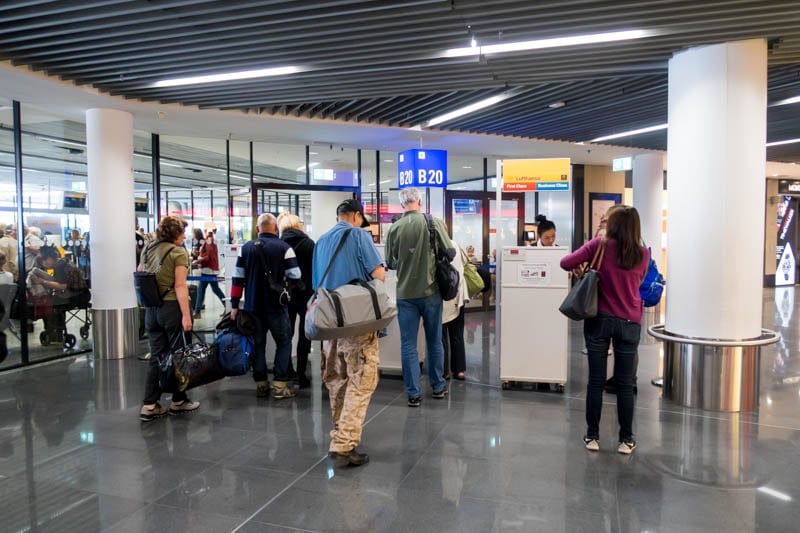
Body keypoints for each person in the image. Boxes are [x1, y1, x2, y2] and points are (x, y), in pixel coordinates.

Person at [560, 206, 648, 455]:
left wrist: (588, 259)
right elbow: (638, 281)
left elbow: (565, 262)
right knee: (624, 383)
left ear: (613, 225)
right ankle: (626, 439)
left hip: (600, 319)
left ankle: (593, 436)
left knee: (596, 382)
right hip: (630, 322)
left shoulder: (599, 245)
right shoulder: (643, 254)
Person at [312, 199, 385, 467]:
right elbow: (378, 274)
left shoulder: (321, 240)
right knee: (362, 378)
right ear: (356, 216)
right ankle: (344, 443)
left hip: (329, 320)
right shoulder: (358, 235)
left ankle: (341, 431)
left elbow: (315, 282)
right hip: (356, 320)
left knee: (336, 378)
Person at [385, 187, 452, 407]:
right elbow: (449, 252)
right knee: (434, 341)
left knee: (408, 344)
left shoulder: (394, 228)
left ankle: (413, 393)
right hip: (431, 291)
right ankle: (438, 386)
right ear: (420, 202)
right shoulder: (432, 222)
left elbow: (391, 263)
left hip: (405, 294)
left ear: (402, 204)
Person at [230, 213, 301, 399]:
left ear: (257, 229)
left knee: (258, 344)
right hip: (277, 306)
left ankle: (261, 384)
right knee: (284, 342)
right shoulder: (285, 248)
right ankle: (279, 384)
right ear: (275, 229)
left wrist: (234, 305)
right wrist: (285, 287)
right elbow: (295, 275)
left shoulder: (245, 249)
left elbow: (237, 279)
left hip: (253, 306)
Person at [138, 216, 200, 422]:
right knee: (179, 356)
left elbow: (140, 273)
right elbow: (180, 286)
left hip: (152, 309)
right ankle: (179, 401)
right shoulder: (178, 252)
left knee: (157, 356)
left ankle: (149, 404)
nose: (184, 237)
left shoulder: (148, 248)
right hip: (172, 308)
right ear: (175, 234)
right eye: (182, 232)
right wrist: (186, 316)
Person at [277, 211, 315, 389]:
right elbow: (315, 270)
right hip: (306, 294)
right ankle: (302, 374)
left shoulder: (279, 244)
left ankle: (287, 371)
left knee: (286, 335)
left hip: (285, 296)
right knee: (304, 335)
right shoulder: (309, 243)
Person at [442, 242, 468, 381]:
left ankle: (444, 370)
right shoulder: (456, 244)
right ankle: (459, 370)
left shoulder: (434, 245)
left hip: (441, 296)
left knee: (440, 337)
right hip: (458, 294)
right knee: (457, 335)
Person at [192, 230, 226, 319]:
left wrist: (198, 260)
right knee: (214, 290)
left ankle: (197, 312)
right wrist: (199, 255)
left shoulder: (209, 241)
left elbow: (208, 256)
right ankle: (227, 306)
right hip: (209, 270)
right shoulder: (210, 242)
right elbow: (207, 254)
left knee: (202, 290)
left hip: (208, 270)